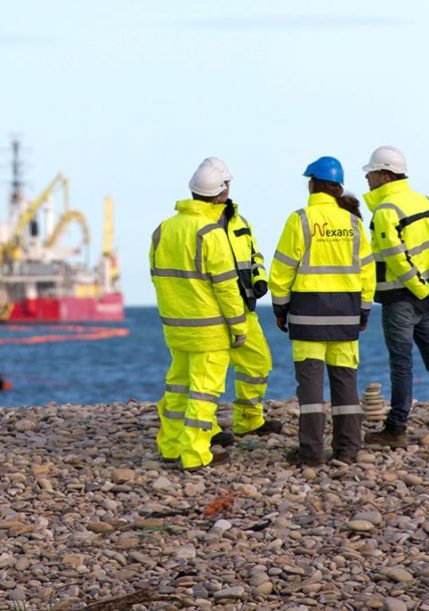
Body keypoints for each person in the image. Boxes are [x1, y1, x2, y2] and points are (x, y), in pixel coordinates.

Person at [270, 156, 375, 466]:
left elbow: (282, 270)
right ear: (338, 187)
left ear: (312, 184)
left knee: (311, 390)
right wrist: (364, 311)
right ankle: (348, 449)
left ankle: (311, 453)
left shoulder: (300, 219)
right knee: (345, 385)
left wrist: (280, 308)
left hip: (307, 315)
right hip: (346, 315)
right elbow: (367, 272)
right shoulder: (354, 223)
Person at [361, 146, 429, 447]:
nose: (367, 180)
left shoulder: (385, 211)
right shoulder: (425, 201)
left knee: (401, 362)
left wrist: (417, 287)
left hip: (400, 298)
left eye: (370, 174)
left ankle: (395, 428)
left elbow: (395, 256)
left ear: (383, 174)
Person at [149, 157, 248, 470]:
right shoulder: (211, 233)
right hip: (209, 331)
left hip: (175, 328)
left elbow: (157, 277)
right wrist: (239, 325)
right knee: (204, 394)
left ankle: (170, 446)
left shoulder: (163, 229)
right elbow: (227, 288)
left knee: (177, 388)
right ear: (222, 192)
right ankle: (195, 455)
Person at [210, 159, 283, 445]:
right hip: (212, 311)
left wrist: (259, 278)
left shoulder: (240, 222)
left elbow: (255, 255)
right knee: (209, 374)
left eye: (227, 183)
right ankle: (204, 427)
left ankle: (249, 420)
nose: (225, 189)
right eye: (221, 184)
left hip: (243, 307)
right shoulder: (200, 224)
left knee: (258, 363)